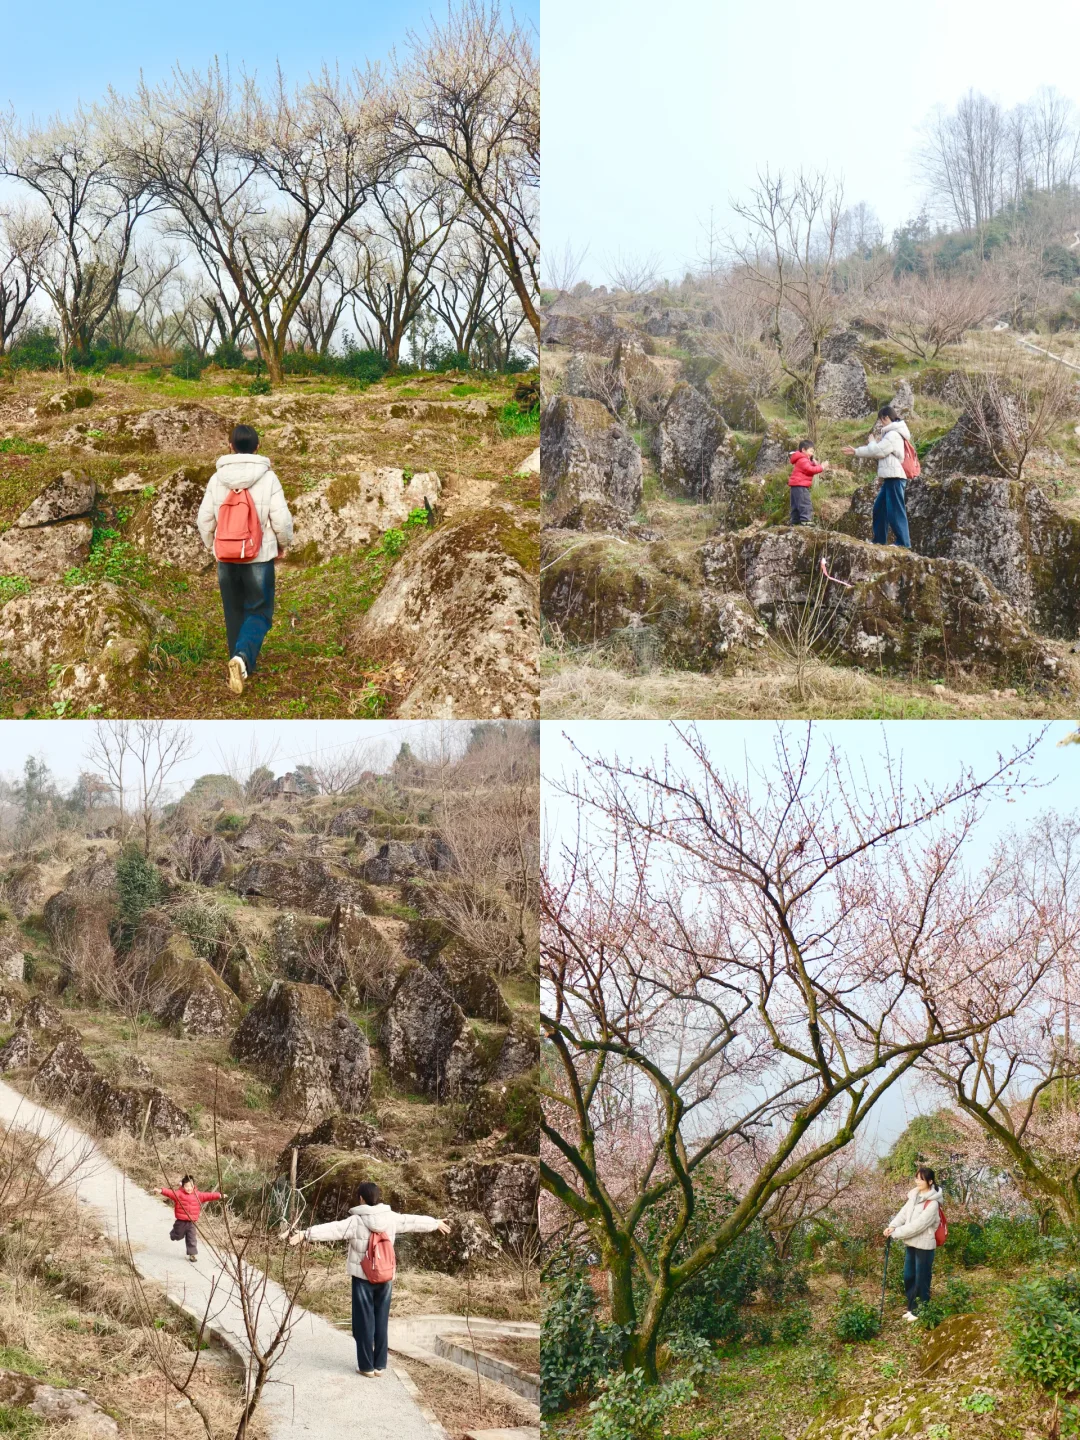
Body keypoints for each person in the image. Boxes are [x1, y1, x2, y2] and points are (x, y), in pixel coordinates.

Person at [289, 1181, 451, 1377]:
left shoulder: (355, 1221)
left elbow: (332, 1229)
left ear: (361, 1199)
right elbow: (412, 1221)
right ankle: (380, 1365)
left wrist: (306, 1234)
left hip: (363, 1278)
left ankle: (366, 1367)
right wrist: (435, 1223)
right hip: (385, 1276)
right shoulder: (391, 1218)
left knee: (363, 1322)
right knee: (381, 1320)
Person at [197, 424, 294, 696]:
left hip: (226, 557)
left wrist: (213, 547)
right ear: (257, 448)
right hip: (258, 556)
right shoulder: (268, 478)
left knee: (233, 612)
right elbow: (282, 520)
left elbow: (204, 520)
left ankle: (237, 663)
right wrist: (283, 545)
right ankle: (241, 659)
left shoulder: (217, 479)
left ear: (230, 446)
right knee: (260, 612)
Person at [841, 405, 913, 547]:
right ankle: (879, 540)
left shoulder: (893, 434)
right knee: (879, 508)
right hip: (890, 477)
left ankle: (903, 543)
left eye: (881, 420)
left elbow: (879, 451)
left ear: (886, 418)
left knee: (895, 510)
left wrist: (871, 443)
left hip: (895, 477)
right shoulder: (893, 433)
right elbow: (877, 451)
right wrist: (856, 451)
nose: (881, 423)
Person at [883, 1165, 943, 1320]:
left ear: (930, 1181)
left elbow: (919, 1226)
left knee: (921, 1278)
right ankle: (912, 1308)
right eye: (916, 1178)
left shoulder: (933, 1204)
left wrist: (896, 1233)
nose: (918, 1181)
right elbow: (903, 1213)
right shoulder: (914, 1196)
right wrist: (892, 1226)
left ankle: (922, 1310)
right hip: (911, 1243)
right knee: (909, 1276)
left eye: (921, 1179)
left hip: (924, 1245)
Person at [153, 1175, 226, 1264]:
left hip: (192, 1222)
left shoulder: (198, 1195)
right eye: (186, 1186)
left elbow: (209, 1195)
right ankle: (174, 1233)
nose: (189, 1188)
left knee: (192, 1238)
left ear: (194, 1186)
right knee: (178, 1236)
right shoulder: (179, 1194)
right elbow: (170, 1193)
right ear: (183, 1186)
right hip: (181, 1221)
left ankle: (192, 1254)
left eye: (191, 1186)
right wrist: (160, 1190)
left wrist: (219, 1195)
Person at [787, 441, 829, 525]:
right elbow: (810, 470)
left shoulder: (801, 459)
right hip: (800, 485)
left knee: (795, 504)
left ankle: (795, 521)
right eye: (811, 451)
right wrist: (822, 467)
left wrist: (814, 463)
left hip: (795, 485)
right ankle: (805, 520)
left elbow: (808, 466)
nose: (812, 453)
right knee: (805, 502)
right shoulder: (803, 459)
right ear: (803, 450)